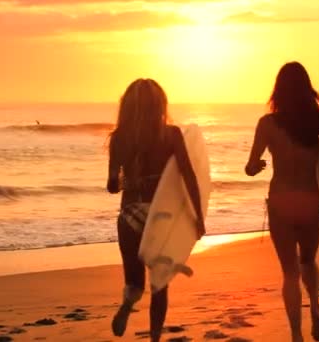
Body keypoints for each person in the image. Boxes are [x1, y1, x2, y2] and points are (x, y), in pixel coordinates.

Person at [245, 62, 319, 342]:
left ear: (278, 90)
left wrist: (258, 166)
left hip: (281, 202)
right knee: (308, 261)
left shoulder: (267, 124)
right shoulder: (317, 120)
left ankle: (296, 334)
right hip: (310, 201)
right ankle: (316, 308)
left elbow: (250, 167)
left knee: (289, 272)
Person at [106, 79, 205, 342]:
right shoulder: (171, 135)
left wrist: (127, 180)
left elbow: (112, 186)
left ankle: (127, 304)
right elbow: (188, 177)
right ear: (160, 105)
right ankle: (154, 339)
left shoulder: (119, 138)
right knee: (159, 284)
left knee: (134, 281)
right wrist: (199, 217)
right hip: (159, 217)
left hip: (130, 217)